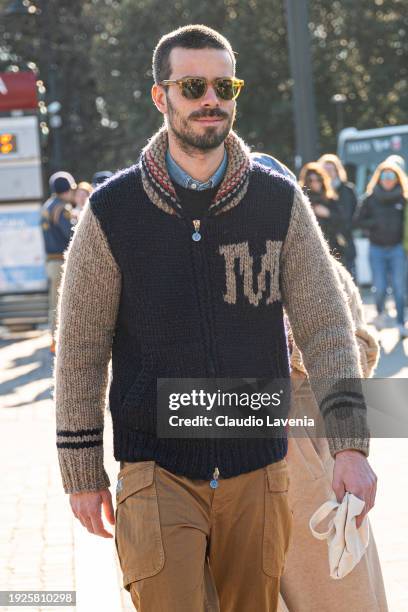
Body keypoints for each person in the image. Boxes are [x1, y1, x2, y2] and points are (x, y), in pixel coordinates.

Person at [55, 25, 376, 612]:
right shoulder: (111, 211)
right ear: (161, 96)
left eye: (223, 85)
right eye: (193, 85)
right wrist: (81, 470)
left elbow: (328, 327)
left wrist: (352, 447)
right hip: (156, 468)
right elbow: (80, 349)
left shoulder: (278, 200)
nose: (211, 99)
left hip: (259, 467)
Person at [278, 259, 388, 612]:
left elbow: (359, 349)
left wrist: (294, 349)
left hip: (313, 472)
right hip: (218, 471)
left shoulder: (313, 262)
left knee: (335, 594)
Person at [354, 160, 408, 338]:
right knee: (380, 287)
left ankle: (401, 323)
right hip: (376, 249)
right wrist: (374, 224)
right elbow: (357, 221)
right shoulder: (370, 198)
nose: (387, 179)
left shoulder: (403, 198)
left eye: (391, 176)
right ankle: (380, 313)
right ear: (379, 178)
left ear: (397, 178)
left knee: (400, 288)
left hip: (397, 249)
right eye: (384, 176)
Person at [41, 171, 76, 354]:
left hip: (50, 261)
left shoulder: (47, 206)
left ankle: (53, 339)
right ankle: (57, 341)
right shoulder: (61, 209)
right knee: (60, 303)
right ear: (67, 189)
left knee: (53, 302)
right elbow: (70, 234)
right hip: (60, 261)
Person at [319, 153, 358, 277]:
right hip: (324, 242)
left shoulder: (347, 190)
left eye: (331, 169)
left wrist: (329, 214)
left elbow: (350, 218)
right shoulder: (317, 192)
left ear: (337, 170)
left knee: (349, 279)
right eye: (325, 169)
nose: (328, 172)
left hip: (344, 242)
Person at [299, 162, 346, 260]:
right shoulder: (301, 200)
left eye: (318, 179)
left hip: (330, 246)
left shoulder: (330, 199)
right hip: (308, 247)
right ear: (306, 181)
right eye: (311, 180)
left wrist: (328, 213)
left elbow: (343, 221)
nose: (315, 182)